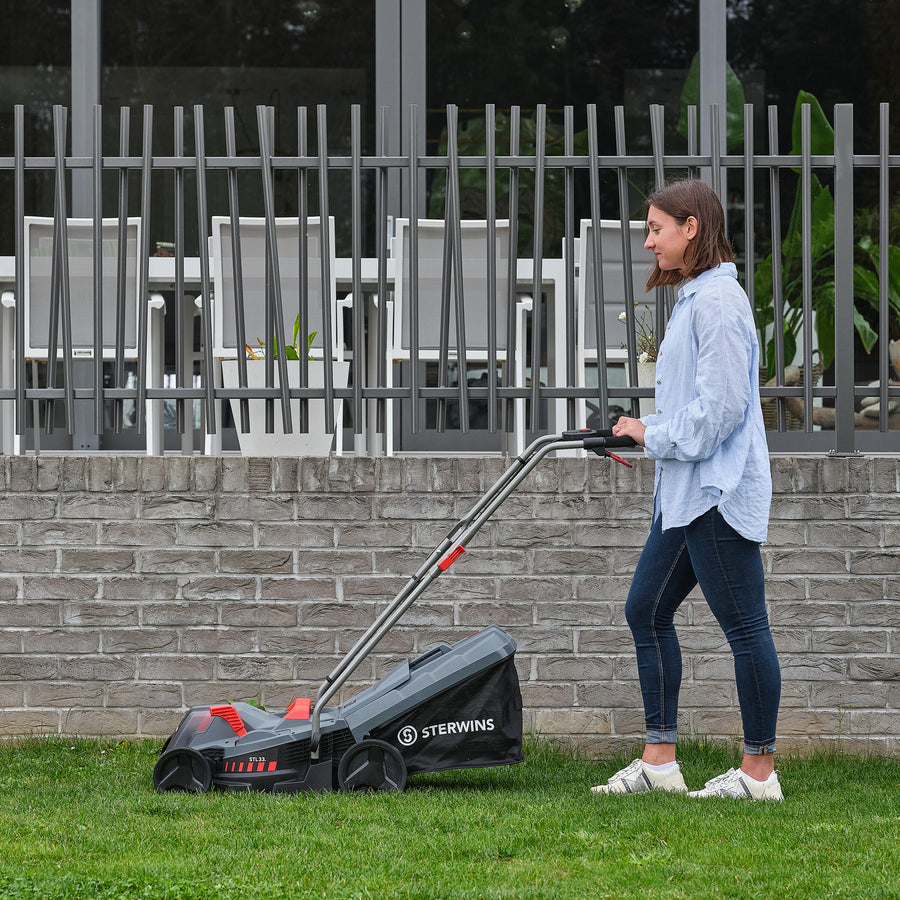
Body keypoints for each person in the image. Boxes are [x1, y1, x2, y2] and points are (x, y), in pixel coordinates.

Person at [591, 178, 783, 801]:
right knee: (645, 609)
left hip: (716, 492)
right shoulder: (694, 298)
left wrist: (653, 434)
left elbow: (721, 409)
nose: (648, 242)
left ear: (691, 227)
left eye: (656, 229)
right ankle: (660, 763)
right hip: (685, 491)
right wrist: (646, 434)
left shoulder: (718, 303)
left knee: (746, 628)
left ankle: (759, 775)